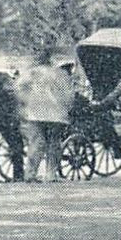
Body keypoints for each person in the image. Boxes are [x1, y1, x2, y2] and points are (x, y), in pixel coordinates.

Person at [17, 48, 74, 182]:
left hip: (34, 113)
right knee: (54, 143)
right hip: (56, 114)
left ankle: (30, 174)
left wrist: (25, 102)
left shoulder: (31, 73)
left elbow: (18, 88)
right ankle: (51, 175)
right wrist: (67, 108)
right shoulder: (60, 74)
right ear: (50, 60)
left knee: (36, 143)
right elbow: (69, 95)